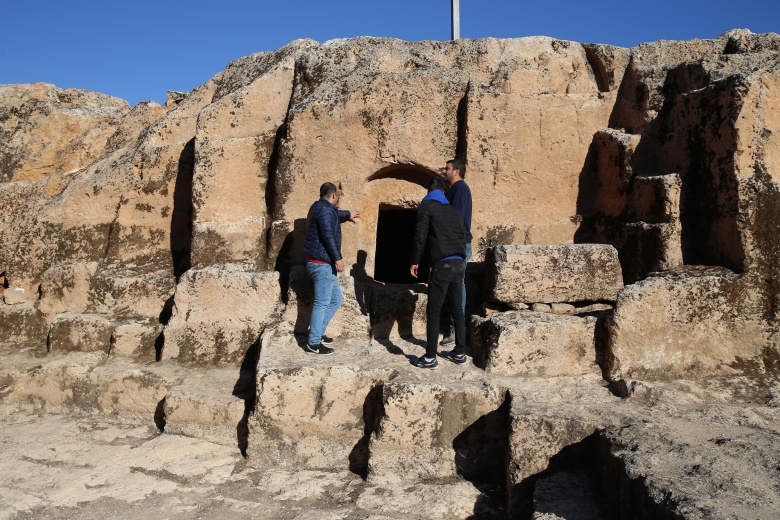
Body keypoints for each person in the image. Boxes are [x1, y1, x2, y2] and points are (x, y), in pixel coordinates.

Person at [409, 177, 468, 368]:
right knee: (457, 309)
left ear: (429, 192)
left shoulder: (427, 207)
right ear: (443, 192)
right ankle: (460, 353)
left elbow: (420, 236)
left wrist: (415, 261)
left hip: (442, 266)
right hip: (459, 264)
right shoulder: (454, 211)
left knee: (433, 311)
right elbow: (462, 237)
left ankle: (430, 357)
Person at [303, 182, 360, 355]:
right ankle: (313, 343)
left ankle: (317, 333)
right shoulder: (326, 210)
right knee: (321, 303)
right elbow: (327, 235)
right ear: (334, 195)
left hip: (318, 264)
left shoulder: (319, 207)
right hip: (322, 265)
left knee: (336, 299)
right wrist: (338, 259)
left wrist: (348, 213)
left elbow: (334, 214)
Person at [440, 159, 473, 347]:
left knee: (457, 285)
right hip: (453, 244)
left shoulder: (460, 188)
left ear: (457, 171)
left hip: (458, 244)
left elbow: (456, 218)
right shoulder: (452, 190)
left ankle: (456, 329)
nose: (444, 171)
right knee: (452, 284)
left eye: (448, 168)